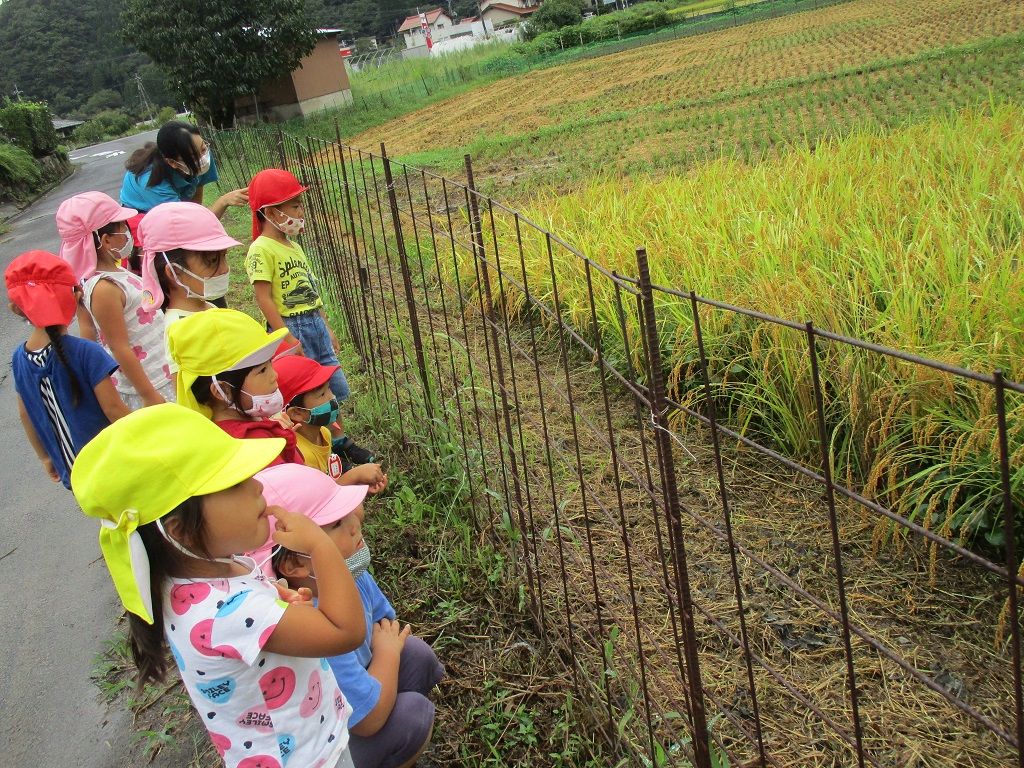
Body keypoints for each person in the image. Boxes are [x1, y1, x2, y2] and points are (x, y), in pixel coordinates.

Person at [71, 404, 365, 768]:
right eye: (235, 483)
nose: (258, 484)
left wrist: (273, 602)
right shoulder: (230, 611)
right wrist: (319, 545)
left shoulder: (190, 582)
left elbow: (242, 625)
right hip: (307, 756)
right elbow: (346, 631)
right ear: (178, 530)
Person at [254, 464, 443, 768]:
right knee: (413, 715)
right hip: (329, 744)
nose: (356, 521)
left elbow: (385, 622)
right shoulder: (310, 629)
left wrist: (386, 655)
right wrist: (387, 655)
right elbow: (366, 721)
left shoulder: (349, 575)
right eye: (337, 522)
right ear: (295, 566)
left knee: (417, 656)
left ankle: (389, 730)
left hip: (357, 689)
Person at [167, 308, 386, 492]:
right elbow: (305, 504)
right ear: (222, 390)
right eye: (262, 370)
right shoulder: (256, 449)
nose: (275, 376)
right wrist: (352, 480)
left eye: (270, 364)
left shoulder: (238, 430)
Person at [6, 251, 130, 488]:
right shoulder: (86, 352)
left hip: (74, 474)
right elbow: (114, 410)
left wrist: (45, 457)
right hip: (112, 465)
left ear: (18, 308)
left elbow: (25, 414)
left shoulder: (19, 359)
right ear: (74, 297)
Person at [56, 191, 175, 409]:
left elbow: (88, 334)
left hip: (161, 371)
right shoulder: (104, 287)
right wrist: (148, 395)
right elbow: (118, 347)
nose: (128, 231)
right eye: (122, 226)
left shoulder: (105, 277)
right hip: (153, 382)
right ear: (106, 240)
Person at [246, 168, 350, 402]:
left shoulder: (295, 247)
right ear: (272, 212)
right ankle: (317, 435)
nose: (301, 212)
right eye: (295, 206)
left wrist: (326, 326)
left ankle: (338, 436)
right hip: (292, 325)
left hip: (314, 323)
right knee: (307, 391)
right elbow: (264, 298)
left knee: (334, 385)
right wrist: (287, 337)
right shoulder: (261, 249)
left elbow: (311, 291)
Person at [137, 201, 241, 371]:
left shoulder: (203, 307)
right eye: (213, 261)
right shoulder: (183, 329)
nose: (225, 269)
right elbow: (187, 393)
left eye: (224, 257)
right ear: (174, 272)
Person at [274, 355, 376, 480]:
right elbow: (319, 495)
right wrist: (355, 476)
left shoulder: (324, 433)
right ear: (297, 413)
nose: (331, 397)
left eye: (328, 388)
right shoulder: (300, 456)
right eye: (322, 394)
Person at [120, 121, 247, 220]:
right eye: (193, 156)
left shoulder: (202, 156)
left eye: (203, 149)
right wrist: (223, 201)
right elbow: (188, 225)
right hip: (141, 215)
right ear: (172, 162)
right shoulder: (153, 182)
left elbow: (195, 205)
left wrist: (197, 215)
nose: (202, 158)